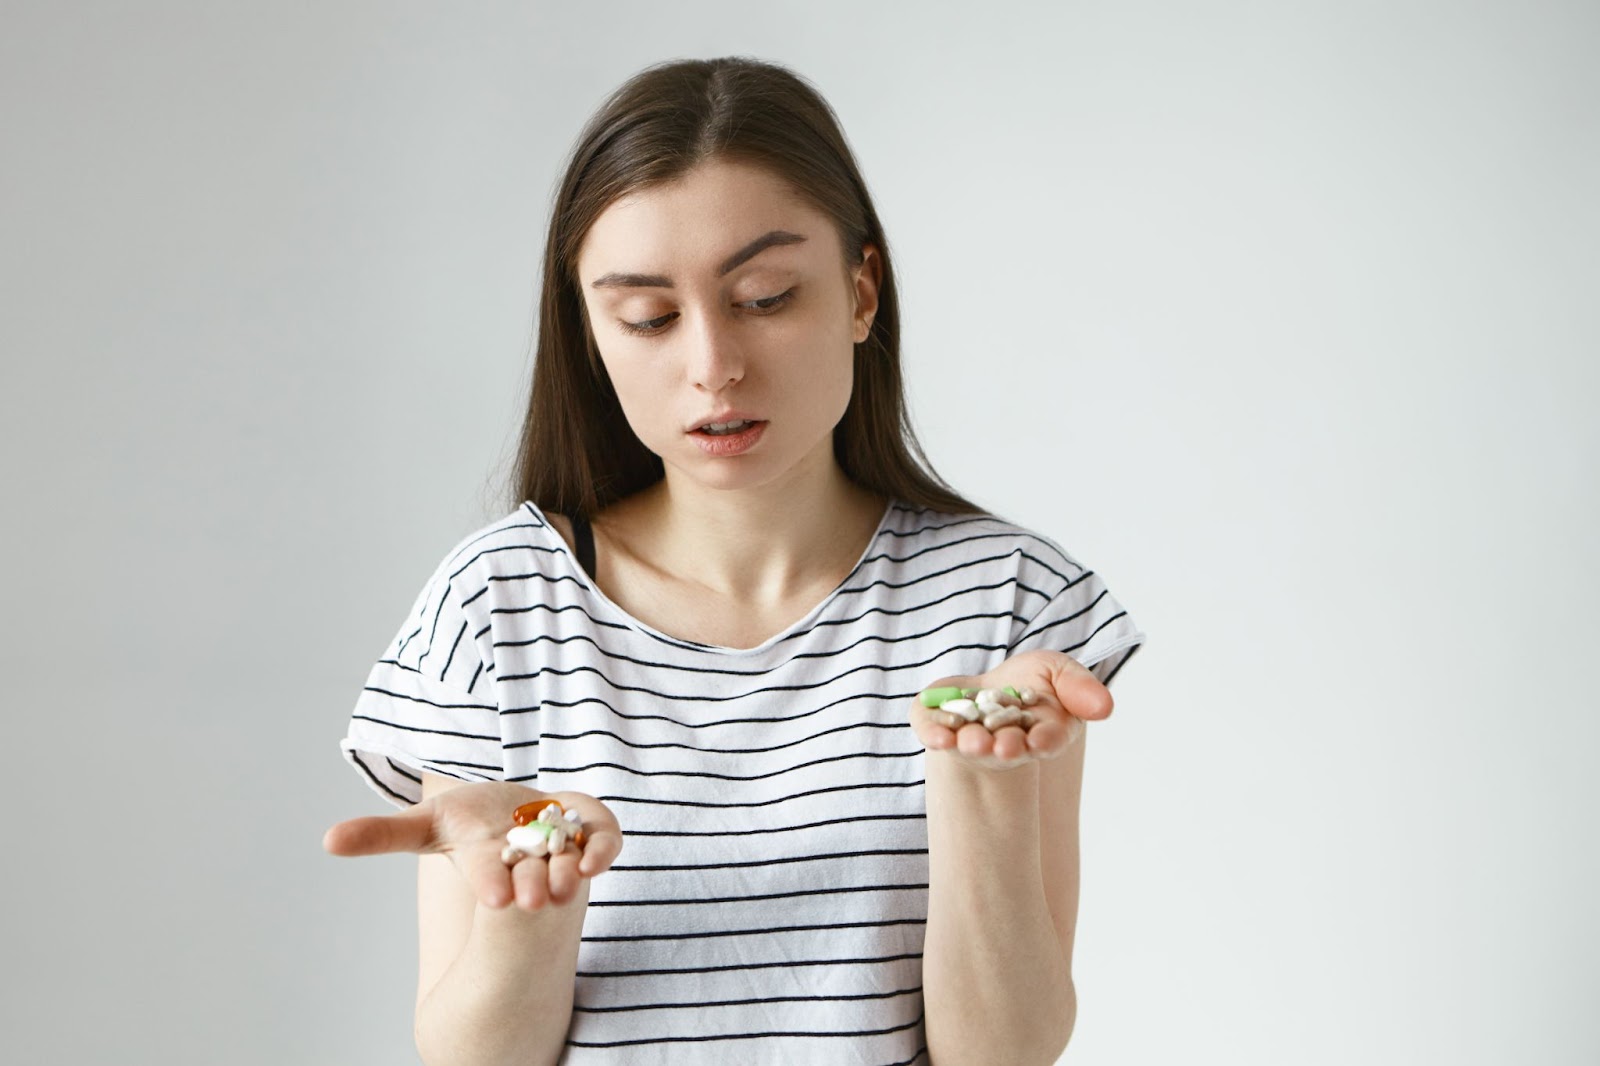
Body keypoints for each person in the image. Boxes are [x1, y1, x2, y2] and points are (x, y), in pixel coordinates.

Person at [323, 55, 1144, 1066]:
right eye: (648, 317)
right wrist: (530, 907)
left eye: (762, 297)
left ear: (859, 291)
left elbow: (1005, 1054)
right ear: (589, 334)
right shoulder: (497, 605)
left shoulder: (1004, 605)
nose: (712, 363)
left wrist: (976, 780)